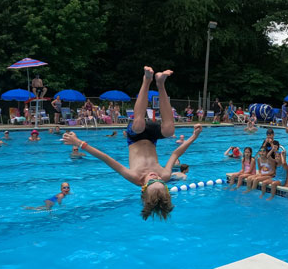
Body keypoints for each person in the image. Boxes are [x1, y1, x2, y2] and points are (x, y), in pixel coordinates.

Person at [62, 67, 200, 221]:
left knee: (139, 125)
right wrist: (193, 137)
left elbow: (106, 159)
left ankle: (147, 80)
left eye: (152, 181)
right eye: (160, 181)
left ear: (144, 188)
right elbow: (175, 153)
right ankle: (160, 83)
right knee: (168, 131)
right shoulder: (165, 175)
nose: (155, 177)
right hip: (152, 136)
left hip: (135, 136)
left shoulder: (134, 176)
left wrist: (79, 142)